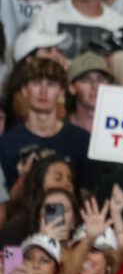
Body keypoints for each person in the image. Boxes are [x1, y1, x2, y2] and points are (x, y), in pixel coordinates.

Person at [0, 59, 94, 195]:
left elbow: (87, 196)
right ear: (25, 90)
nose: (43, 91)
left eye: (51, 84)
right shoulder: (7, 144)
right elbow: (5, 206)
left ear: (62, 92)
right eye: (36, 83)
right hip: (23, 214)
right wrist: (23, 180)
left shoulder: (81, 140)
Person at [67, 52, 113, 133]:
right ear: (72, 88)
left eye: (100, 79)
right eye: (86, 80)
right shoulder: (59, 130)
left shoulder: (120, 130)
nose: (95, 86)